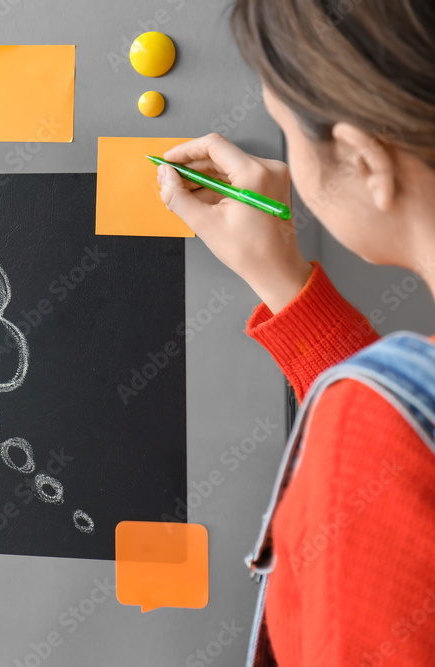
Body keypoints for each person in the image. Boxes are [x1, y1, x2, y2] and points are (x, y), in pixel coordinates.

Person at [157, 0, 435, 664]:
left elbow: (392, 453)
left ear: (363, 161)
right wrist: (287, 286)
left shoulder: (368, 435)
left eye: (285, 132)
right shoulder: (379, 423)